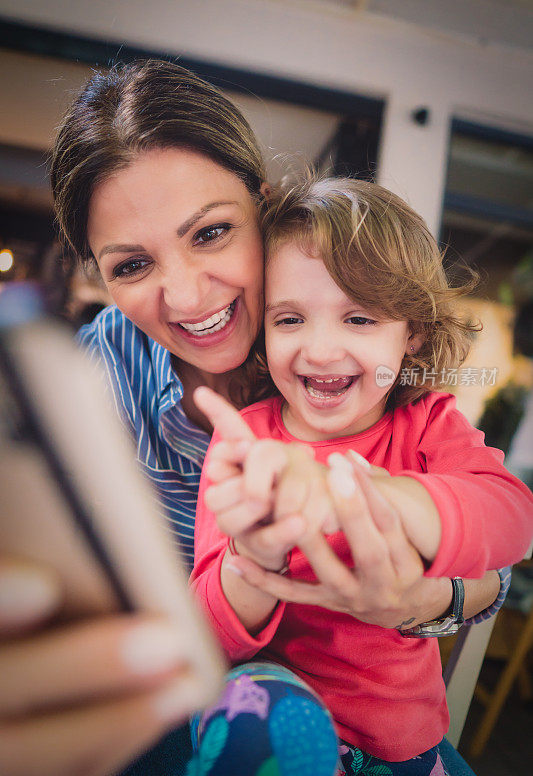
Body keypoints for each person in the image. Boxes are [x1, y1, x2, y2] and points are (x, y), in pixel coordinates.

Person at [0, 60, 509, 776]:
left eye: (209, 234)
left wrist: (421, 595)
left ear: (262, 211)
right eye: (131, 266)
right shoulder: (92, 385)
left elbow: (493, 541)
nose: (183, 296)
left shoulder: (365, 369)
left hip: (388, 732)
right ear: (99, 276)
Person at [191, 176, 533, 774]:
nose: (321, 350)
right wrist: (253, 560)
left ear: (414, 334)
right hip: (271, 729)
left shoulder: (428, 423)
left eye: (360, 319)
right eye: (290, 319)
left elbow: (513, 517)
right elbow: (202, 633)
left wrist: (377, 498)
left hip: (400, 744)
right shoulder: (247, 438)